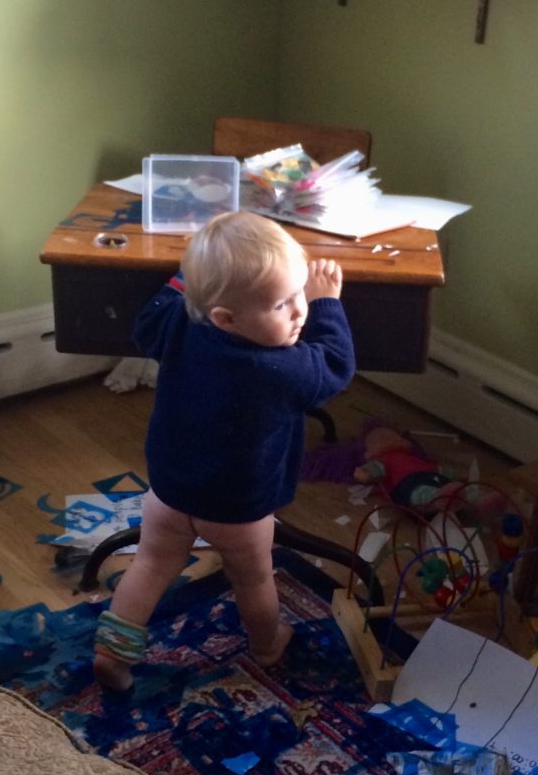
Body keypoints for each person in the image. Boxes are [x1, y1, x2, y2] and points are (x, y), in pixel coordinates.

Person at [93, 211, 356, 691]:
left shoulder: (180, 320)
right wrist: (328, 305)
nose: (300, 312)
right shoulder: (279, 369)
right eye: (283, 304)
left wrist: (185, 279)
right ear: (226, 317)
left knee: (150, 564)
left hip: (171, 488)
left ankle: (113, 650)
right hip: (238, 507)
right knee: (254, 581)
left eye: (302, 296)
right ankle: (268, 643)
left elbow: (148, 320)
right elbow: (335, 365)